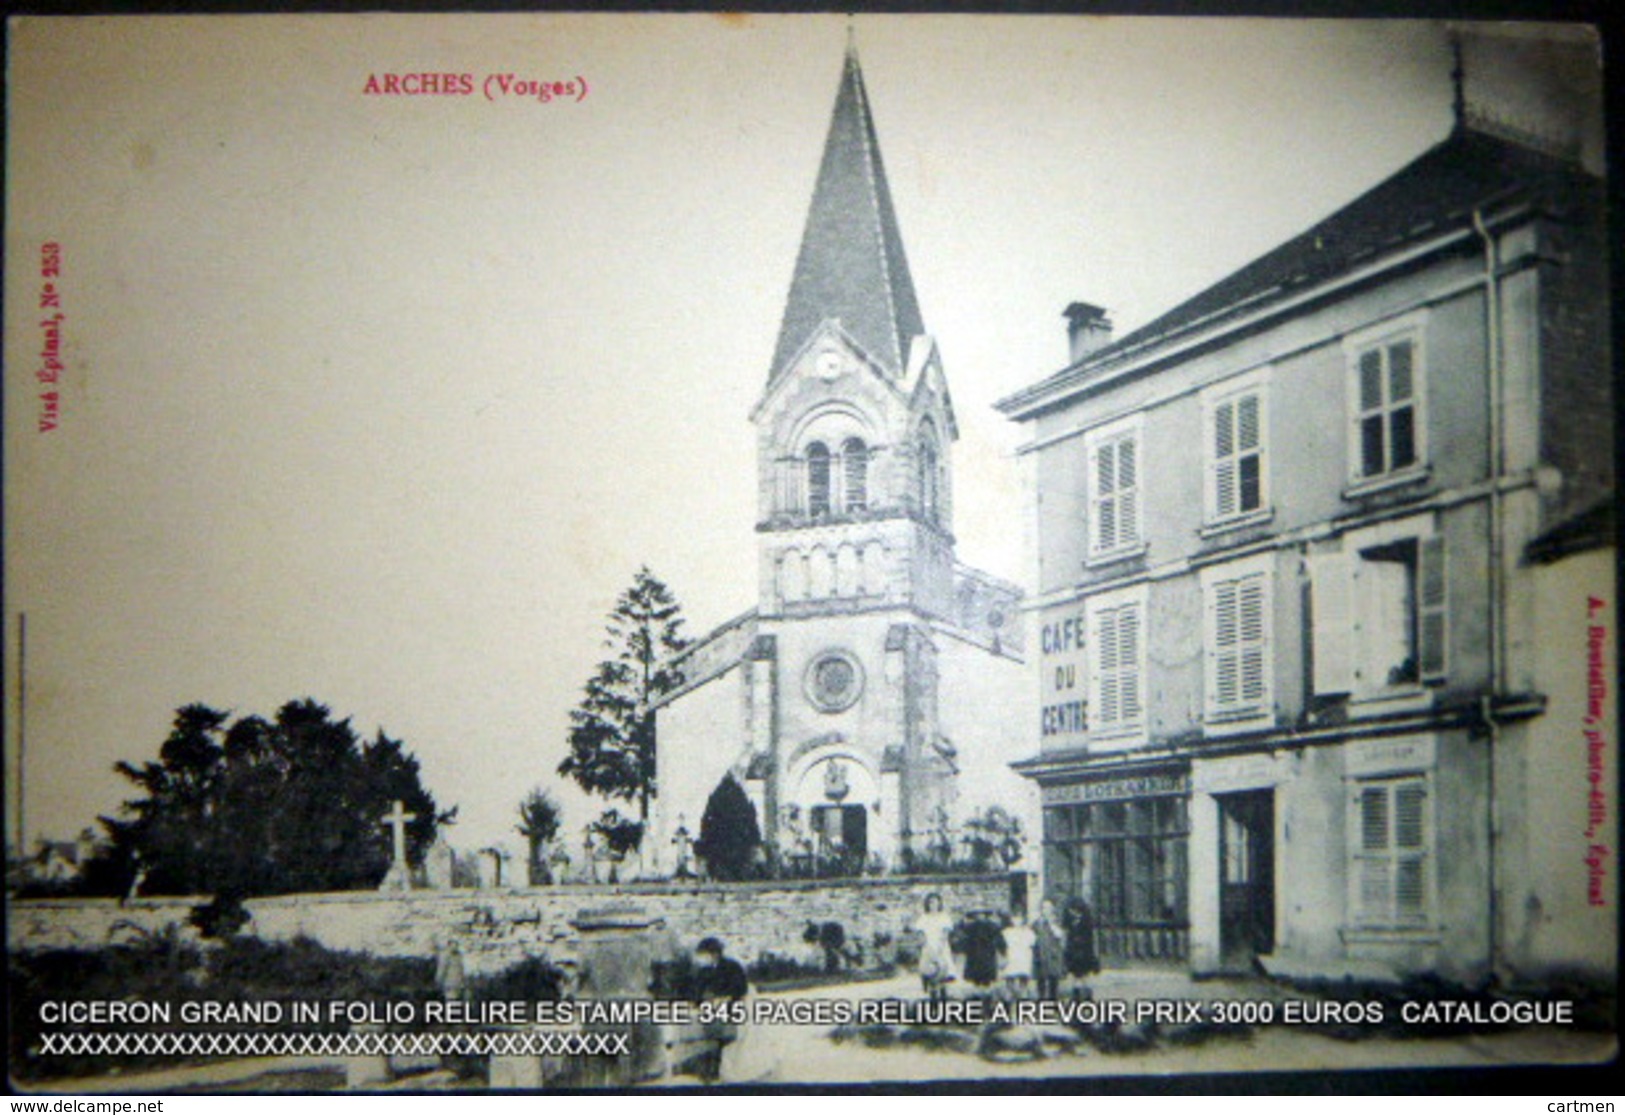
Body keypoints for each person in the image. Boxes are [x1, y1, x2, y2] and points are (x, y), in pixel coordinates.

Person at [690, 936, 748, 1082]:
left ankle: (720, 1074)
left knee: (725, 1043)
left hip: (728, 1011)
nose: (703, 958)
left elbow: (740, 988)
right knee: (709, 1041)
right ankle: (710, 1073)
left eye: (705, 954)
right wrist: (700, 1001)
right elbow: (696, 992)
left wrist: (726, 998)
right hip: (710, 1012)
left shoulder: (732, 966)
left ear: (715, 953)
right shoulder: (703, 971)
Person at [914, 892, 957, 1002]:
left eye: (936, 902)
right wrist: (926, 946)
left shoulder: (944, 917)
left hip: (941, 946)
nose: (933, 905)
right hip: (928, 946)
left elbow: (945, 933)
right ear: (927, 904)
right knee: (931, 972)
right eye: (931, 903)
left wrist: (939, 947)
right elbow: (920, 934)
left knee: (942, 972)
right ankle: (933, 999)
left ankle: (944, 998)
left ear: (940, 904)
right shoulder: (923, 917)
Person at [1061, 896, 1101, 999]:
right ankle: (1076, 997)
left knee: (1085, 976)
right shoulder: (1069, 922)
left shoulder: (1087, 922)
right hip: (1073, 952)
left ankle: (1087, 997)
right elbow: (1065, 936)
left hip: (1085, 952)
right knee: (1075, 976)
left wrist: (1095, 955)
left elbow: (1093, 939)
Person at [1001, 907, 1037, 1001]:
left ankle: (1023, 995)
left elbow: (1032, 944)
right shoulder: (1006, 932)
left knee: (1023, 977)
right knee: (1010, 977)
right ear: (1011, 919)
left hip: (1023, 958)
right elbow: (1003, 946)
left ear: (1023, 919)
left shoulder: (1028, 932)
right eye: (1014, 918)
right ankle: (1010, 995)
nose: (1017, 921)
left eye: (1019, 918)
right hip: (1012, 957)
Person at [1033, 899, 1065, 1001]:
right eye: (1043, 907)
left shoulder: (1056, 921)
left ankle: (1053, 1000)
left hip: (1053, 954)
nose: (1046, 910)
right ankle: (1041, 1000)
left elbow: (1060, 935)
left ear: (1053, 909)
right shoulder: (1037, 923)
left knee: (1053, 978)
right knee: (1041, 978)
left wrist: (1052, 924)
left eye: (1048, 907)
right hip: (1040, 954)